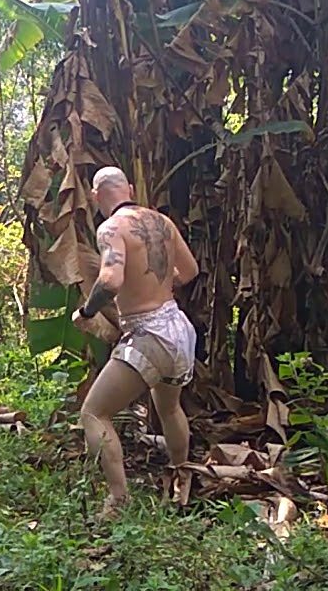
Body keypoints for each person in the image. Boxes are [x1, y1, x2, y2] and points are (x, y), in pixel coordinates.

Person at [71, 166, 200, 520]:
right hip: (178, 329)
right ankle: (181, 477)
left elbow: (110, 281)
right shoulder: (162, 222)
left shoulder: (111, 228)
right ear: (128, 188)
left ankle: (117, 501)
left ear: (97, 196)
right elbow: (189, 272)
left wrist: (86, 312)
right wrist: (155, 285)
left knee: (94, 413)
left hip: (149, 335)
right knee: (169, 408)